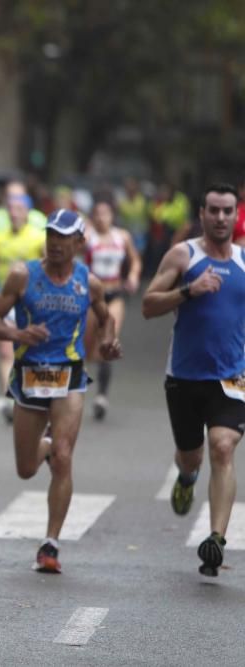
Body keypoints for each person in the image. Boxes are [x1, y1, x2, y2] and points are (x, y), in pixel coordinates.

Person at [0, 209, 122, 573]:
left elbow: (106, 319)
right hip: (30, 376)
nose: (56, 243)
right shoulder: (22, 275)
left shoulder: (89, 283)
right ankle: (41, 448)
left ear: (79, 242)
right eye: (51, 235)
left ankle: (50, 545)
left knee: (64, 456)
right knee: (26, 470)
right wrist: (18, 334)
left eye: (64, 237)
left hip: (70, 376)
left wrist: (108, 344)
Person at [142, 183, 245, 578]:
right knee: (192, 455)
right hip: (184, 377)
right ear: (201, 213)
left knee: (222, 447)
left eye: (227, 211)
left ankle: (215, 540)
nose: (221, 218)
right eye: (214, 210)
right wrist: (189, 290)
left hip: (232, 377)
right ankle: (186, 477)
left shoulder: (243, 261)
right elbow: (149, 305)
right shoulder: (184, 255)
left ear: (236, 216)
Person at [0, 195, 46, 422]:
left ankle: (33, 392)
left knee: (30, 349)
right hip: (4, 299)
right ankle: (10, 399)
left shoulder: (38, 238)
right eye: (10, 209)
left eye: (19, 209)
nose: (14, 213)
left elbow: (47, 265)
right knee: (4, 350)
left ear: (28, 213)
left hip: (30, 302)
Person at [83, 200, 141, 420]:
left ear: (112, 215)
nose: (101, 218)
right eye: (97, 214)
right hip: (91, 296)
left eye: (105, 213)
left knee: (108, 341)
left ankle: (102, 397)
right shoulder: (88, 236)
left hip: (115, 294)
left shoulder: (122, 236)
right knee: (88, 348)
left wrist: (133, 276)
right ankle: (76, 387)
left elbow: (135, 260)